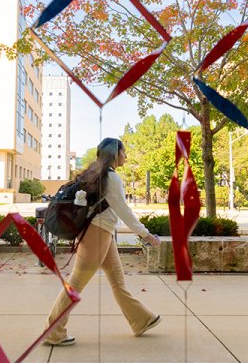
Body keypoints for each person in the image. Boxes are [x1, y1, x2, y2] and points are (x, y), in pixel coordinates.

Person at [44, 137, 161, 346]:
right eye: (124, 151)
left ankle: (141, 320)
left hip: (102, 233)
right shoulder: (112, 178)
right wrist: (146, 234)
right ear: (116, 154)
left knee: (118, 283)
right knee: (76, 283)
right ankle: (53, 331)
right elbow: (123, 210)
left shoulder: (99, 174)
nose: (126, 155)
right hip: (96, 233)